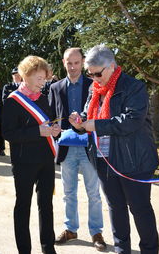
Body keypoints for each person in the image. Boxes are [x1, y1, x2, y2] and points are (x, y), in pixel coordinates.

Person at [69, 45, 159, 254]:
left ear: (111, 67)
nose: (93, 78)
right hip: (103, 159)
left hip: (133, 160)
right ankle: (121, 249)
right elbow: (88, 114)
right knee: (115, 208)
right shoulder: (94, 89)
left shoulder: (133, 86)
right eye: (89, 74)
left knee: (140, 209)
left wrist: (96, 125)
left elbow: (131, 121)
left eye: (97, 73)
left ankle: (149, 250)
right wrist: (80, 121)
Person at [2, 55, 61, 254]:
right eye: (38, 78)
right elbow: (8, 133)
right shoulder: (13, 101)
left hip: (45, 160)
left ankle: (48, 247)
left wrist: (55, 129)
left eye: (44, 78)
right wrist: (38, 131)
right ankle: (24, 250)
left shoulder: (43, 99)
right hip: (23, 162)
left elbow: (50, 122)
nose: (42, 82)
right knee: (23, 206)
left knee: (46, 204)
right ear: (25, 76)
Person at [49, 47, 106, 251]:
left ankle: (96, 232)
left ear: (82, 62)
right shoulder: (55, 87)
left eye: (76, 63)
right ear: (63, 62)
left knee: (94, 193)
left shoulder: (95, 85)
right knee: (68, 192)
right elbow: (51, 114)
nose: (72, 67)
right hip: (66, 147)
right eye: (68, 63)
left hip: (89, 146)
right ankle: (70, 229)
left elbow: (101, 115)